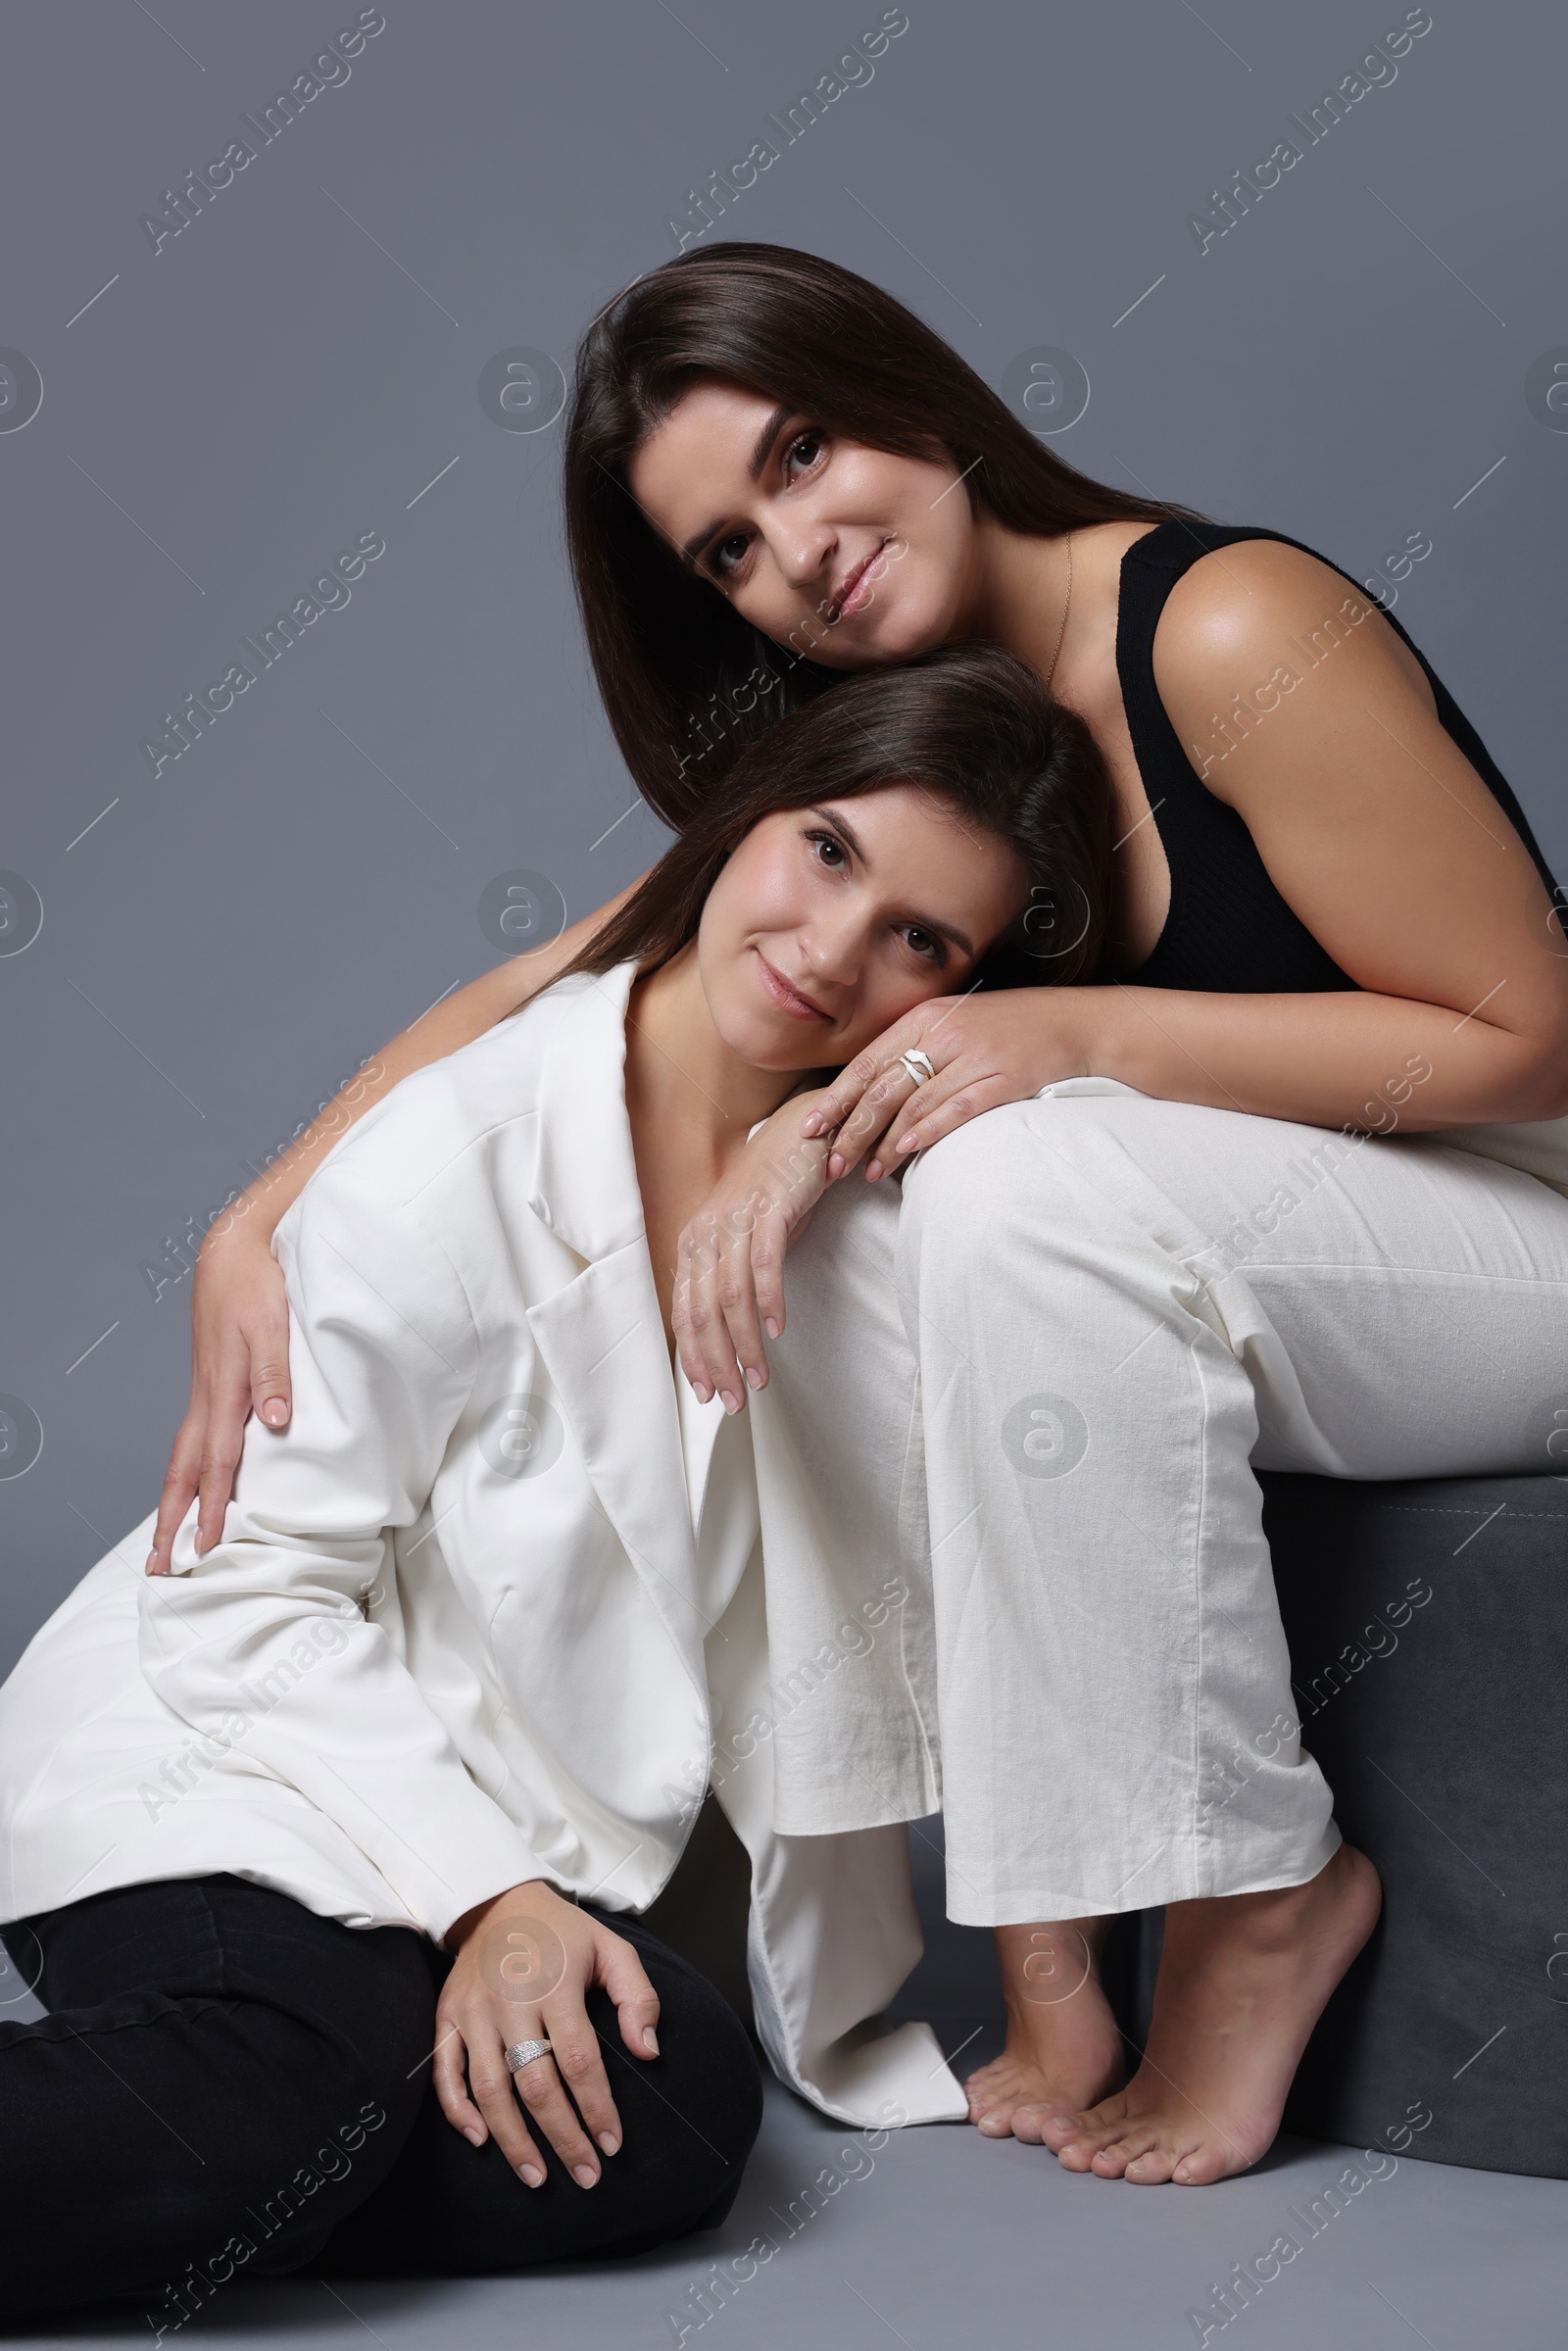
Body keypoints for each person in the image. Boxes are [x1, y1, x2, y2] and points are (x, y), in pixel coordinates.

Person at [145, 243, 1568, 2188]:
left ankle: (1251, 1890)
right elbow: (593, 963)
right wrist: (260, 1212)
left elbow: (1524, 1035)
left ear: (915, 399)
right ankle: (1046, 1953)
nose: (796, 549)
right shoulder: (936, 729)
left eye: (805, 454)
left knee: (989, 1157)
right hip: (1272, 1263)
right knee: (839, 1231)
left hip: (1514, 1225)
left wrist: (1062, 1027)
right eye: (727, 550)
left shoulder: (1219, 628)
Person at [0, 648, 1101, 2321]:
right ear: (742, 821)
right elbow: (234, 1596)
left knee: (664, 2113)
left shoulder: (862, 1206)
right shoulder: (459, 1154)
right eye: (825, 850)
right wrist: (489, 1901)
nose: (832, 953)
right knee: (268, 2093)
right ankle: (288, 2100)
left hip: (498, 1829)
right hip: (223, 1743)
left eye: (920, 941)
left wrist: (799, 1146)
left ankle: (308, 2109)